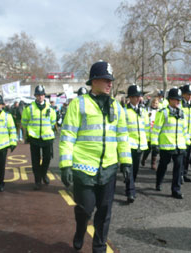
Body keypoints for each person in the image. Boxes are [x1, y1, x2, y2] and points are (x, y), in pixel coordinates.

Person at [59, 61, 132, 252]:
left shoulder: (116, 107)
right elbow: (67, 136)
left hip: (109, 168)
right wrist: (65, 165)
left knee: (105, 211)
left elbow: (123, 136)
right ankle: (80, 229)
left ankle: (99, 246)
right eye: (105, 80)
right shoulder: (79, 104)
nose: (110, 84)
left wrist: (126, 163)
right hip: (84, 168)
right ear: (94, 81)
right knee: (85, 209)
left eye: (111, 80)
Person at [151, 87, 189, 199]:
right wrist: (154, 143)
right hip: (167, 146)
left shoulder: (182, 113)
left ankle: (176, 190)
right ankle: (159, 182)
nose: (178, 101)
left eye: (179, 100)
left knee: (178, 168)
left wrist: (187, 142)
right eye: (175, 99)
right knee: (163, 165)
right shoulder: (163, 113)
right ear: (170, 100)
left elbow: (184, 130)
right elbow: (156, 129)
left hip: (179, 146)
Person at [21, 85, 57, 190]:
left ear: (44, 95)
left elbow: (53, 122)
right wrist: (26, 135)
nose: (40, 97)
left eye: (41, 95)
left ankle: (43, 174)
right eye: (38, 95)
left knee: (47, 159)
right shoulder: (29, 108)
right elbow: (24, 122)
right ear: (35, 96)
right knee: (35, 161)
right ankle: (37, 181)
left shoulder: (50, 108)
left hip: (47, 138)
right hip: (34, 138)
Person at [123, 84, 149, 203]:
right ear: (130, 98)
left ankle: (130, 184)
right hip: (129, 145)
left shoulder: (143, 111)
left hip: (140, 145)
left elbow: (147, 128)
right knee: (129, 168)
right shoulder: (124, 111)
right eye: (135, 96)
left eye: (139, 96)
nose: (138, 98)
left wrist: (148, 141)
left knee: (135, 170)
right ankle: (130, 192)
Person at [180, 84, 191, 183]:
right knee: (182, 157)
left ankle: (184, 174)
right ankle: (180, 174)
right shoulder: (179, 105)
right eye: (188, 94)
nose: (190, 96)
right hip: (182, 136)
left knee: (187, 157)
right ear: (183, 95)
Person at [141, 97, 159, 170]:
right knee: (147, 149)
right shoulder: (147, 110)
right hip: (148, 133)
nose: (154, 104)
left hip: (156, 134)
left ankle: (153, 163)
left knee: (155, 150)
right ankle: (144, 159)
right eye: (153, 103)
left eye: (156, 103)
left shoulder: (159, 111)